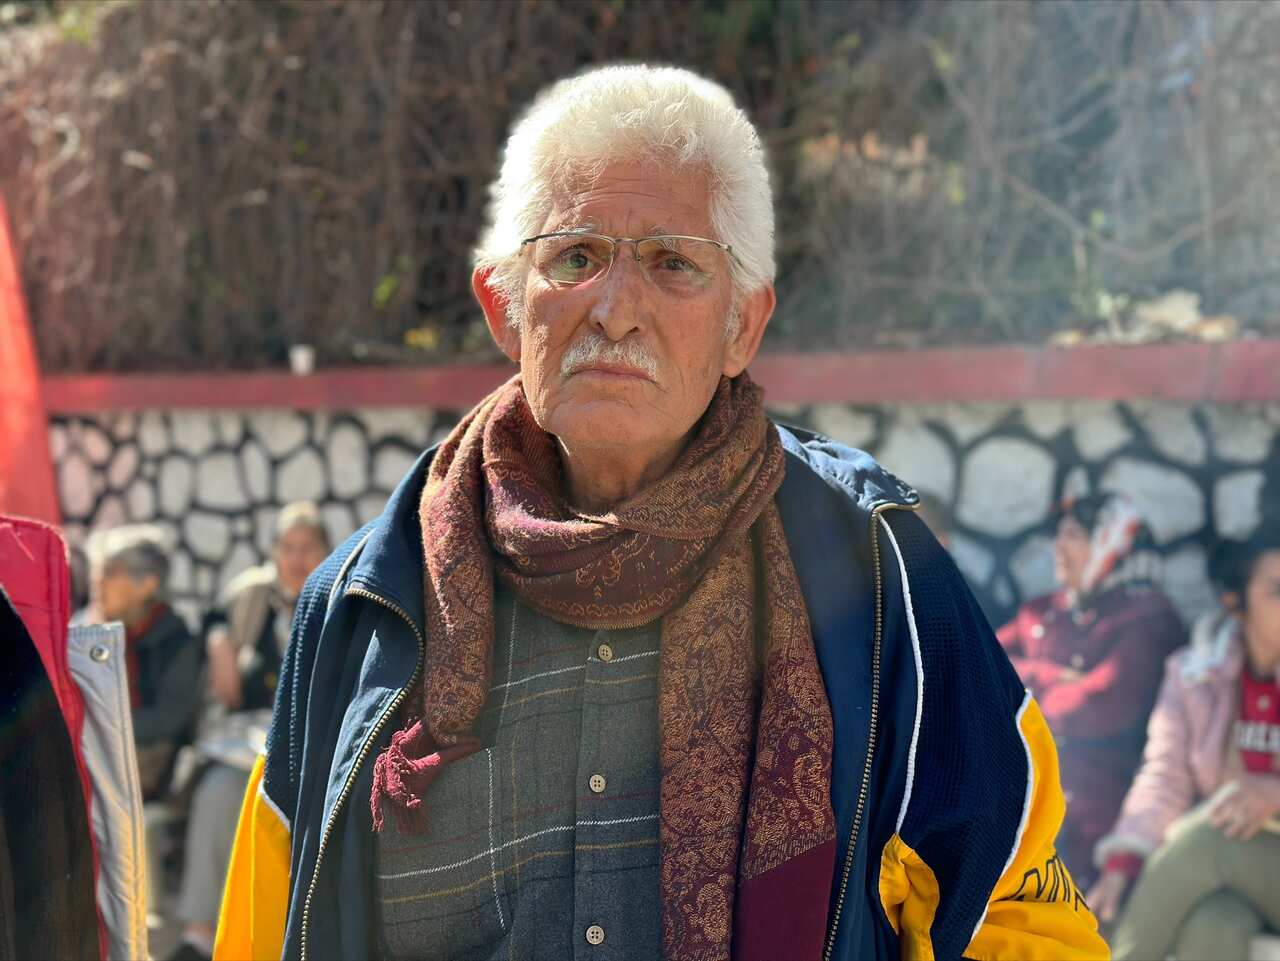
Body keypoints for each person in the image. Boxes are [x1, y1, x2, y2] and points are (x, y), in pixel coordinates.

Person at [217, 65, 1106, 961]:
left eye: (674, 262)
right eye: (575, 256)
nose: (616, 309)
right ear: (503, 304)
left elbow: (1011, 913)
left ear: (742, 327)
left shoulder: (873, 574)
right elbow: (268, 922)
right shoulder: (368, 602)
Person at [1088, 524, 1280, 960]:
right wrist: (1124, 861)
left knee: (1210, 837)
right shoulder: (1195, 675)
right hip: (1235, 872)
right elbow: (1165, 776)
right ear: (1236, 602)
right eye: (1277, 590)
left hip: (1223, 848)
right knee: (1214, 924)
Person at [168, 503, 331, 961]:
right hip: (249, 742)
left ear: (327, 550)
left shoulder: (341, 594)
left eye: (308, 547)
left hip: (316, 745)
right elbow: (215, 617)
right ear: (274, 552)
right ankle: (202, 929)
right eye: (288, 548)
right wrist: (219, 640)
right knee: (218, 791)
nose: (298, 559)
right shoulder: (253, 595)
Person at [996, 493, 1184, 888]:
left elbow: (1097, 705)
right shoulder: (1042, 611)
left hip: (1096, 822)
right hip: (1018, 805)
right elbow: (980, 667)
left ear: (1113, 541)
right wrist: (1054, 676)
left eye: (1074, 535)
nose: (1058, 547)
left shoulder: (1148, 617)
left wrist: (1025, 681)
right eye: (1058, 535)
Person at [83, 524, 200, 800]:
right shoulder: (86, 631)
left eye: (110, 572)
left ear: (147, 585)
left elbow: (169, 719)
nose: (97, 581)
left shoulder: (175, 640)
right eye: (97, 571)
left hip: (149, 771)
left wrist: (98, 727)